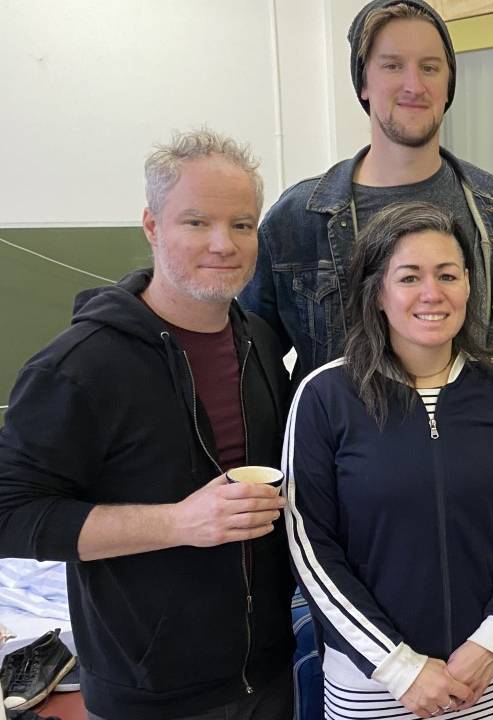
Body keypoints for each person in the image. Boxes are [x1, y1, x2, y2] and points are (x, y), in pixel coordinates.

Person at [0, 129, 294, 720]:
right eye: (196, 223)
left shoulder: (259, 342)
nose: (223, 244)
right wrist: (178, 523)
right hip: (151, 689)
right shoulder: (79, 366)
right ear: (152, 226)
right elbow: (9, 514)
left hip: (267, 670)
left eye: (242, 224)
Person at [284, 202, 493, 719]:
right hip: (374, 686)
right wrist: (399, 667)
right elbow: (310, 545)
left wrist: (492, 641)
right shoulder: (325, 397)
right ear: (377, 292)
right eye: (409, 277)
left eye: (447, 274)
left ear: (469, 285)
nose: (432, 293)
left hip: (486, 679)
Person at [242, 0, 493, 381]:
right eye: (392, 65)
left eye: (429, 67)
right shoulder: (296, 219)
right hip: (340, 441)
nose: (414, 85)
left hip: (468, 438)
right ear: (363, 83)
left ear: (448, 85)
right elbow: (251, 358)